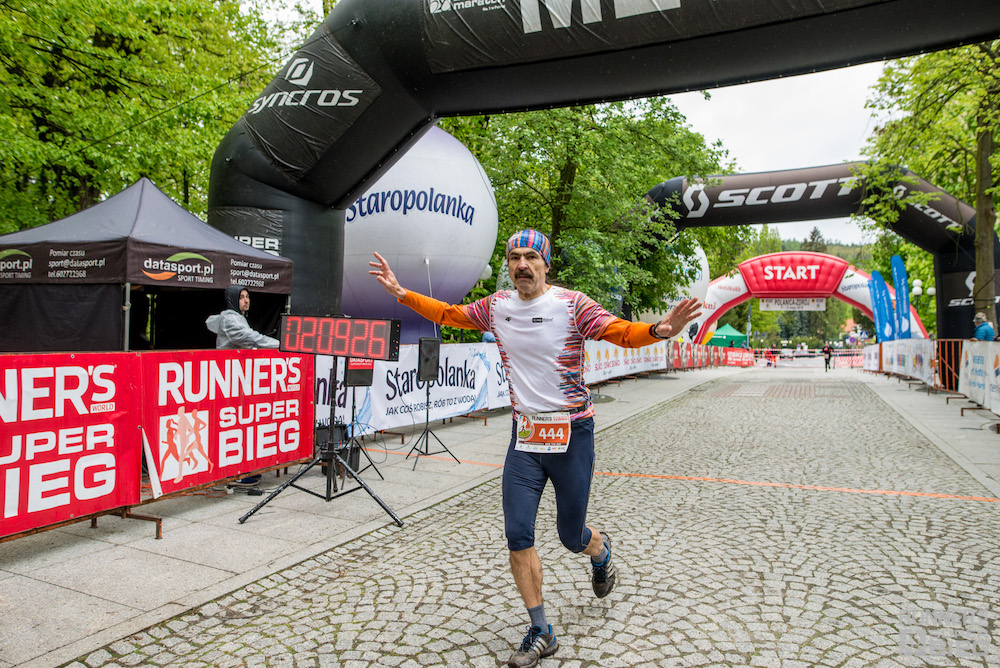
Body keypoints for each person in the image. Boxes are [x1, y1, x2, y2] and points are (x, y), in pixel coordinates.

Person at [370, 230, 702, 668]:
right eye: (514, 258)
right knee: (518, 535)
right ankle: (541, 629)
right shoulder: (497, 307)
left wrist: (658, 330)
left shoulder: (572, 304)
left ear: (546, 264)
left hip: (572, 434)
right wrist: (402, 293)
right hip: (525, 438)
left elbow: (620, 332)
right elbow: (449, 314)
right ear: (508, 265)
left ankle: (600, 551)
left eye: (530, 257)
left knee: (570, 536)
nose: (522, 265)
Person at [205, 285, 279, 349]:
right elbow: (251, 339)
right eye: (241, 297)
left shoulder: (238, 317)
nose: (246, 301)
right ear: (232, 300)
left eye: (247, 297)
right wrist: (280, 345)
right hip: (227, 360)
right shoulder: (230, 319)